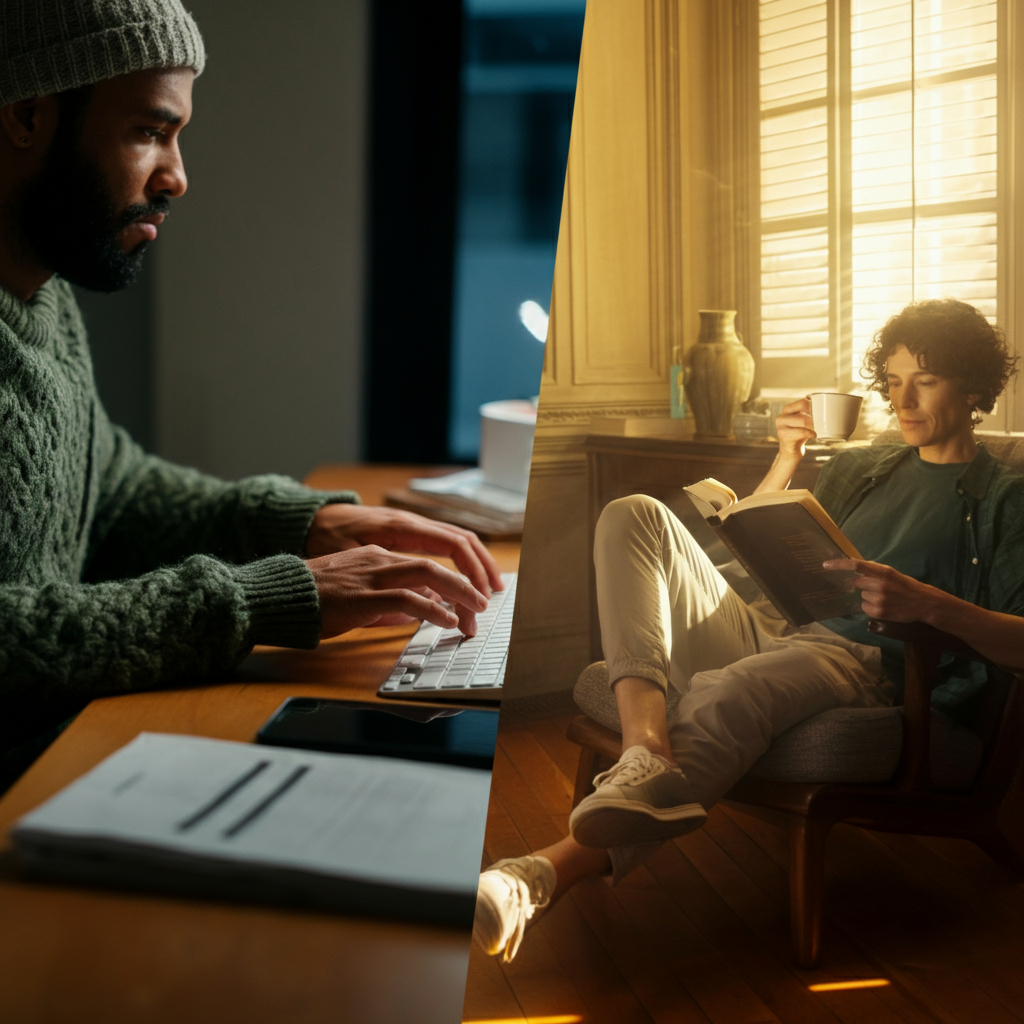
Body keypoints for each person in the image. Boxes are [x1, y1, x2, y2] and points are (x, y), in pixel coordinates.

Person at [0, 0, 503, 789]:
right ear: (29, 114)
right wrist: (257, 602)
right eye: (148, 131)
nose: (177, 177)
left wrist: (305, 524)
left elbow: (114, 489)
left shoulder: (40, 292)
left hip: (68, 750)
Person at [473, 297, 1024, 962]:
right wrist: (786, 460)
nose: (903, 400)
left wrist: (928, 605)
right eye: (894, 380)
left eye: (926, 381)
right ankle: (646, 751)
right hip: (778, 623)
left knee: (734, 690)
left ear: (972, 387)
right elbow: (750, 560)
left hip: (862, 662)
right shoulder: (865, 465)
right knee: (633, 513)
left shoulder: (1004, 498)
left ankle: (535, 878)